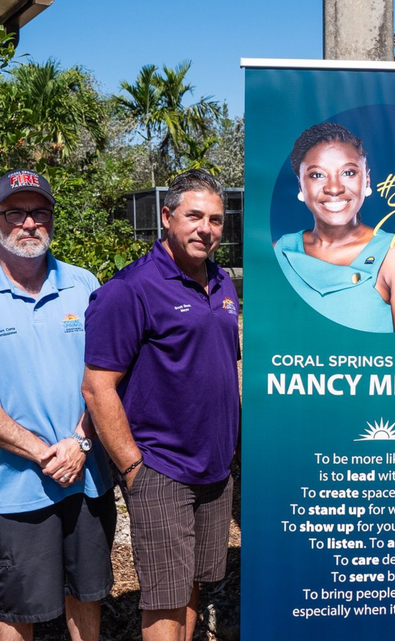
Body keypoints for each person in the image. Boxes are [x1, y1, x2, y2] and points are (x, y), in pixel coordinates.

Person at [0, 169, 115, 641]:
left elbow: (107, 375)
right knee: (18, 608)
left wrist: (78, 442)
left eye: (40, 212)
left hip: (86, 475)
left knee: (87, 594)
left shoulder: (83, 283)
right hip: (12, 489)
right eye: (15, 212)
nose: (29, 223)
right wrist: (43, 452)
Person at [82, 169, 239, 641]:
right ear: (166, 217)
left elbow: (223, 364)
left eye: (215, 219)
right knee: (165, 597)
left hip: (214, 469)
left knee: (193, 585)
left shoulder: (224, 283)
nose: (206, 229)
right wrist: (133, 467)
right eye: (194, 216)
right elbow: (96, 387)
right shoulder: (131, 289)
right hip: (162, 469)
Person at [274, 121, 395, 332]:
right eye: (317, 175)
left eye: (348, 172)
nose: (334, 188)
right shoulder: (277, 253)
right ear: (301, 184)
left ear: (366, 180)